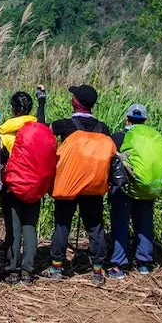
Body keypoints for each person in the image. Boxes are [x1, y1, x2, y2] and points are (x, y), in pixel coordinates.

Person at [45, 84, 113, 285]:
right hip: (94, 185)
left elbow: (42, 129)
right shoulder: (103, 128)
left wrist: (41, 102)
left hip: (69, 184)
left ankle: (57, 268)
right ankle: (98, 272)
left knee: (62, 224)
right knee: (95, 227)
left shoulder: (64, 125)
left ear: (75, 102)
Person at [0, 90, 56, 284]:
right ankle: (28, 271)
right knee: (30, 227)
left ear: (13, 109)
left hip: (12, 187)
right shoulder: (39, 130)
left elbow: (2, 160)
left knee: (13, 228)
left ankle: (12, 270)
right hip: (36, 187)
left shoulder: (5, 133)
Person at [109, 104, 161, 277]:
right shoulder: (154, 138)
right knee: (144, 223)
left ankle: (118, 265)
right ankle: (143, 264)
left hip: (123, 188)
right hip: (147, 186)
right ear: (145, 120)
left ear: (127, 118)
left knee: (120, 224)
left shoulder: (118, 137)